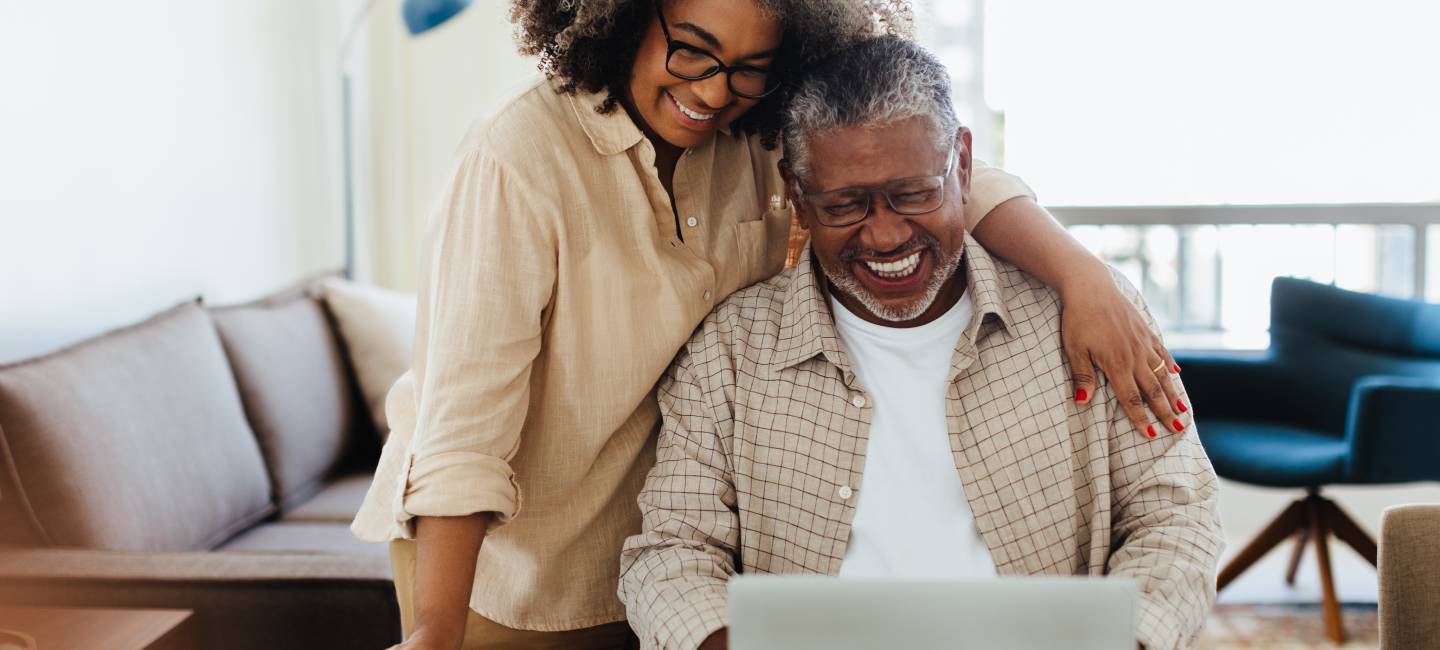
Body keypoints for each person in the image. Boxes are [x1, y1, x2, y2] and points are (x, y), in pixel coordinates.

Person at [353, 1, 1187, 648]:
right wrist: (436, 629)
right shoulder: (517, 160)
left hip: (642, 543)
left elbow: (925, 172)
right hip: (501, 563)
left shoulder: (753, 134)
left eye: (751, 67)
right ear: (625, 17)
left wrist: (1084, 276)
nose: (713, 90)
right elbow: (463, 429)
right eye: (693, 49)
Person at [618, 35, 1223, 650]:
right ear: (798, 195)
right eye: (844, 205)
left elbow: (1175, 516)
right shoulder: (730, 352)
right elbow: (673, 552)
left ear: (961, 165)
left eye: (913, 195)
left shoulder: (1087, 316)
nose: (884, 236)